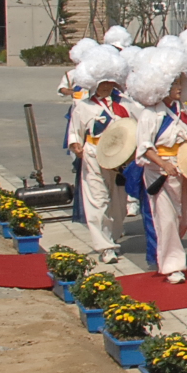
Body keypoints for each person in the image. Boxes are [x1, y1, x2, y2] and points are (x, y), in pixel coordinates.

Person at [127, 45, 187, 283]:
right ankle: (172, 266)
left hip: (182, 169)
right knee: (165, 218)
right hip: (159, 171)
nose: (179, 87)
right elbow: (145, 147)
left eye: (180, 82)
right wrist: (163, 164)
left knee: (181, 218)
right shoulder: (150, 115)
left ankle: (172, 257)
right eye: (174, 84)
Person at [64, 47, 131, 265]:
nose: (108, 85)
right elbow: (75, 130)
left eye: (111, 81)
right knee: (98, 200)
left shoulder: (125, 104)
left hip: (120, 159)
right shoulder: (83, 106)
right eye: (104, 82)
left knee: (119, 203)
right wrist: (76, 144)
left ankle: (113, 233)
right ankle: (105, 246)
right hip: (93, 155)